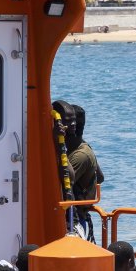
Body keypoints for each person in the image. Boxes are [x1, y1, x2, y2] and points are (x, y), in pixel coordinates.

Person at [54, 101, 103, 241]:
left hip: (75, 219)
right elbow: (100, 177)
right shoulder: (82, 147)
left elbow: (66, 180)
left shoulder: (80, 155)